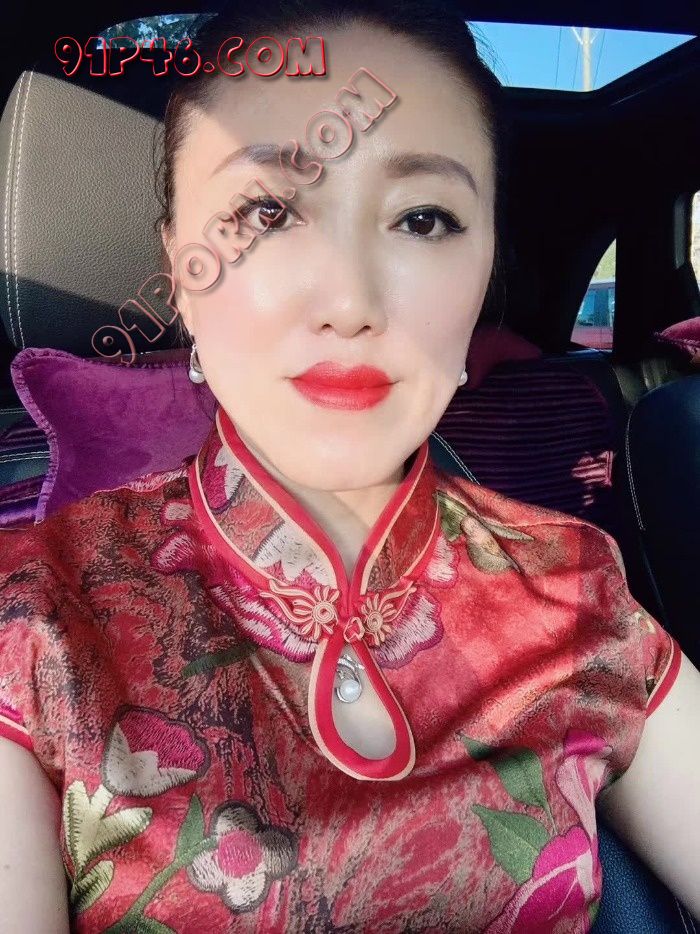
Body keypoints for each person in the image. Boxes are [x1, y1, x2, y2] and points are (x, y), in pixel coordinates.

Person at [0, 1, 698, 931]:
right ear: (181, 274)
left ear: (486, 269)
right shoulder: (36, 616)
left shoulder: (577, 588)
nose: (350, 300)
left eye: (423, 218)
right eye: (268, 211)